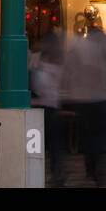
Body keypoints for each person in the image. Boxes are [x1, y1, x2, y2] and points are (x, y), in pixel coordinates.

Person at [62, 6, 106, 187]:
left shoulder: (80, 46)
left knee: (89, 136)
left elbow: (69, 69)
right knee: (102, 138)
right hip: (103, 98)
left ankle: (92, 169)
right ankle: (102, 175)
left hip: (85, 100)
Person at [30, 28, 67, 187]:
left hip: (48, 105)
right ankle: (41, 171)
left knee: (50, 143)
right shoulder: (37, 58)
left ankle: (56, 172)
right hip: (42, 105)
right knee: (43, 142)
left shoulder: (54, 62)